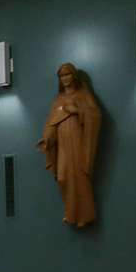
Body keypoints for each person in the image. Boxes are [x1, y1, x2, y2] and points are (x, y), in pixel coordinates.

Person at [37, 63, 101, 226]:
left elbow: (95, 116)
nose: (65, 78)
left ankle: (83, 216)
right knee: (63, 178)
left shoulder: (83, 95)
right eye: (62, 76)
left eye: (67, 74)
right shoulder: (57, 99)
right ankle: (71, 212)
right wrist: (46, 138)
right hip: (63, 144)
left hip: (78, 142)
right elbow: (51, 124)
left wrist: (77, 110)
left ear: (74, 76)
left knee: (79, 177)